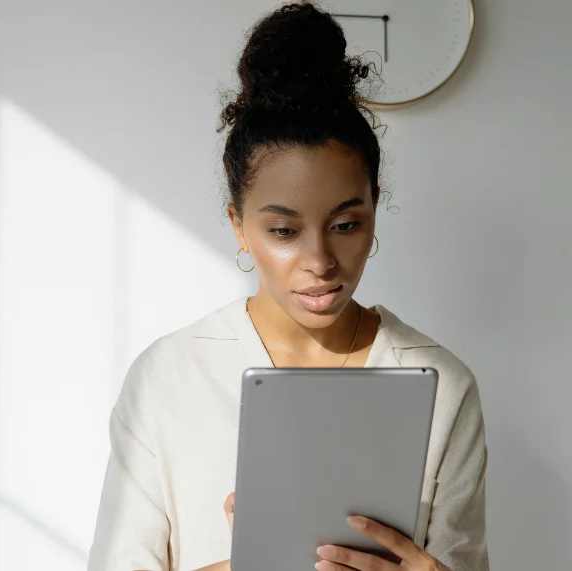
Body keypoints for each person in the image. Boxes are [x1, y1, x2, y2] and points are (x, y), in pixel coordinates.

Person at [87, 3, 488, 571]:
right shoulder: (169, 376)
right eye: (283, 230)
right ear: (239, 228)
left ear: (375, 213)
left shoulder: (443, 385)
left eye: (346, 225)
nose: (320, 261)